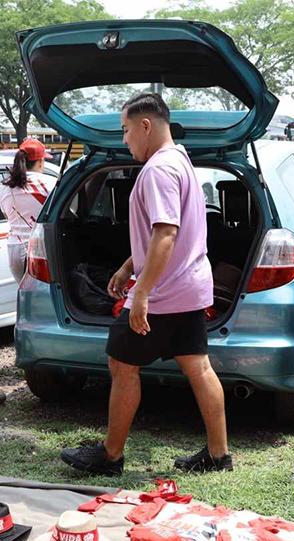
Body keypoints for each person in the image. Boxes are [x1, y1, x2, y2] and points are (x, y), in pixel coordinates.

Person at [60, 93, 231, 476]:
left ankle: (111, 456)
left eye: (125, 130)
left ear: (145, 125)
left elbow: (166, 234)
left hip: (165, 294)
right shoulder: (181, 161)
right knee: (199, 368)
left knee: (121, 364)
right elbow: (160, 235)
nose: (124, 140)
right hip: (189, 287)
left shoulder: (157, 170)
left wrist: (142, 293)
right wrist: (127, 267)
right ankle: (219, 456)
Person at [0, 137, 55, 283]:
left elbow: (6, 214)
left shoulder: (5, 186)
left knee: (26, 295)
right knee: (43, 298)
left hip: (14, 250)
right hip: (39, 250)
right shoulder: (49, 183)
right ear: (41, 161)